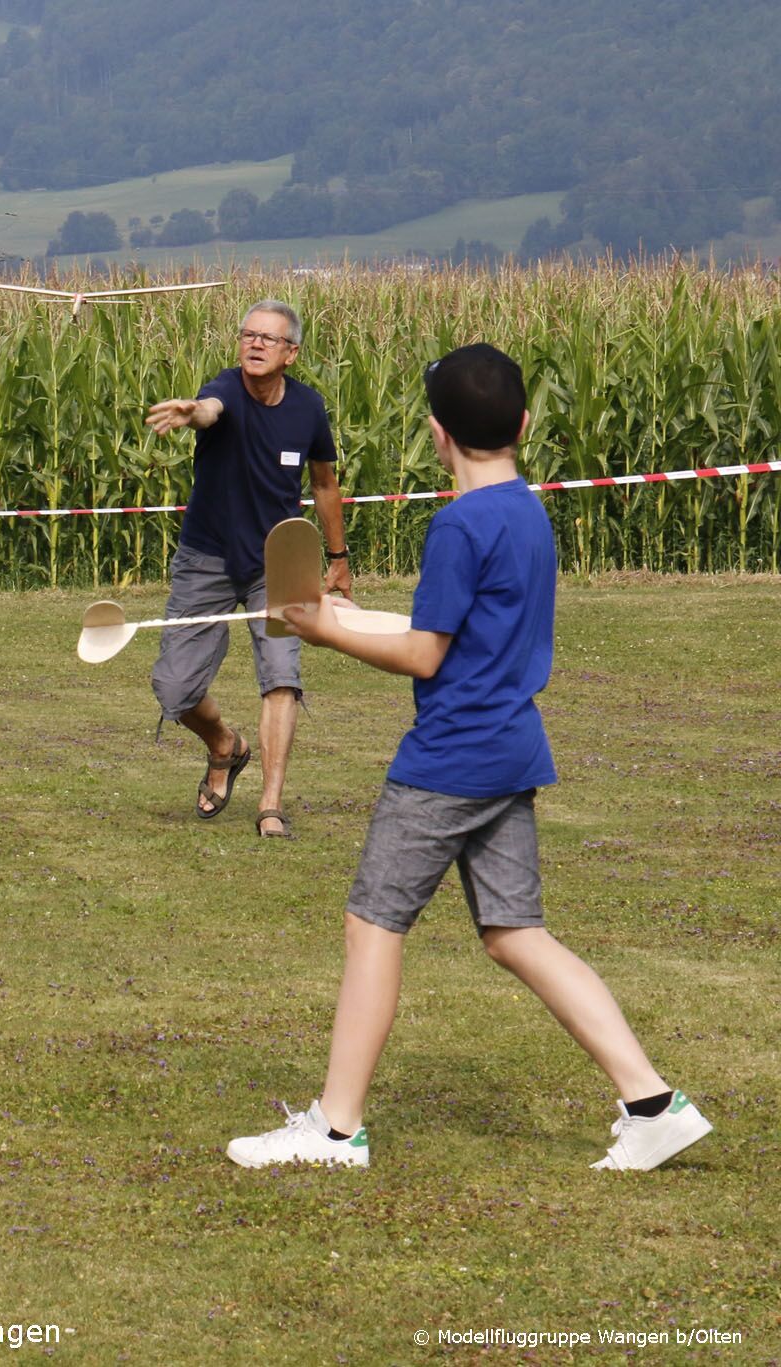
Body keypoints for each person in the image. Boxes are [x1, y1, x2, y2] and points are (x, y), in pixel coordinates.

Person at [226, 343, 711, 1171]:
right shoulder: (526, 512)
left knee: (372, 924)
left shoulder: (457, 524)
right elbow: (452, 633)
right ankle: (654, 1103)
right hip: (510, 749)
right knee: (517, 932)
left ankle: (336, 1129)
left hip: (450, 759)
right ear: (523, 423)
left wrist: (323, 631)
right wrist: (341, 615)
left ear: (436, 434)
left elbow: (424, 654)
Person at [145, 300, 349, 838]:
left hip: (279, 562)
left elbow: (324, 485)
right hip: (206, 558)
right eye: (248, 335)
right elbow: (210, 409)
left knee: (281, 677)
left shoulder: (308, 408)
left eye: (268, 338)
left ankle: (271, 804)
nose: (255, 344)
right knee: (174, 689)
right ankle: (224, 745)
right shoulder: (225, 389)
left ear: (291, 353)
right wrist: (193, 412)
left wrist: (339, 559)